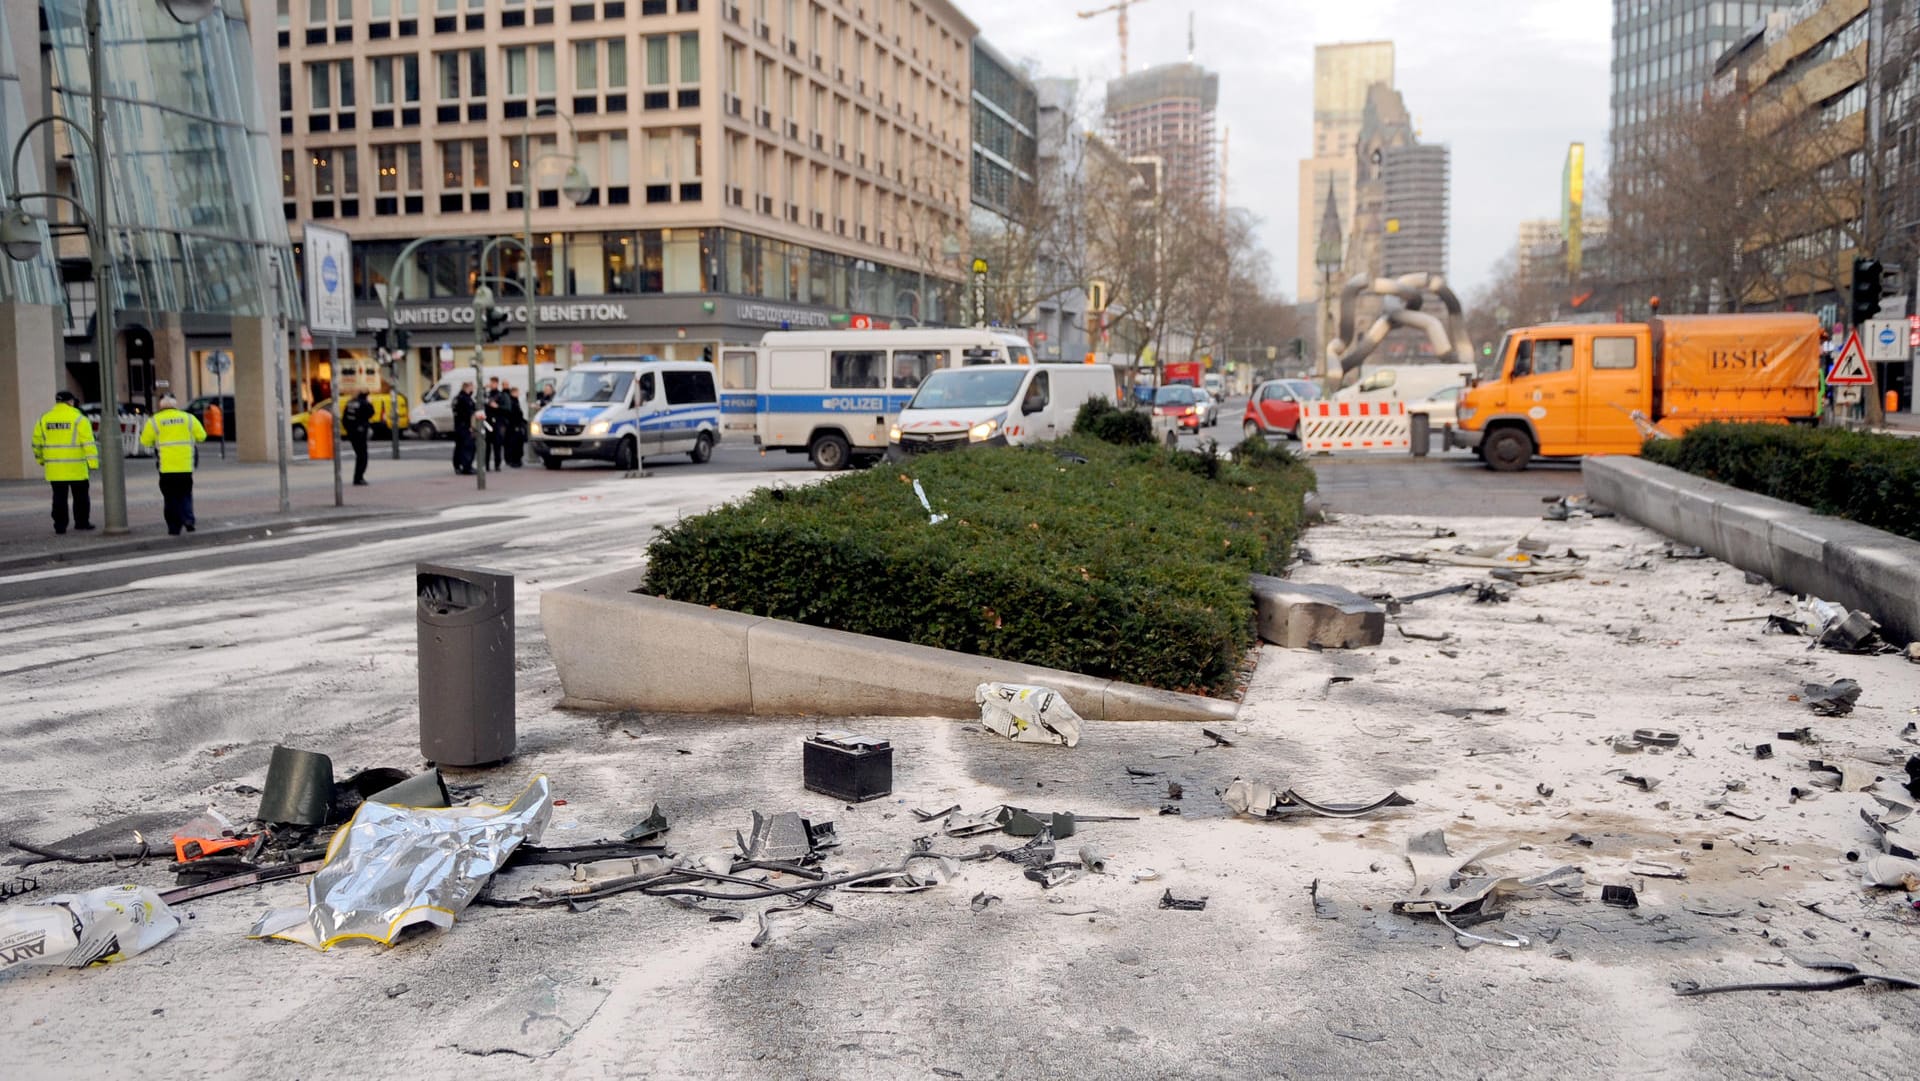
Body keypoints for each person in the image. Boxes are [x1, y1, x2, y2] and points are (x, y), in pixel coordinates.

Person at [138, 394, 207, 535]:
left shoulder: (155, 421)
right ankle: (188, 520)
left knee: (170, 498)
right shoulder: (188, 418)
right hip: (185, 466)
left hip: (166, 467)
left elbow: (145, 441)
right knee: (186, 494)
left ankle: (174, 527)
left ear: (161, 406)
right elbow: (202, 436)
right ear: (175, 404)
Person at [32, 390, 99, 534]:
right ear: (70, 402)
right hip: (77, 467)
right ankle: (81, 523)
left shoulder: (44, 419)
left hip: (55, 468)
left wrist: (40, 459)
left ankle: (60, 526)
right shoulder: (79, 418)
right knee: (80, 497)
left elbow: (37, 442)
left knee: (59, 498)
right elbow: (88, 443)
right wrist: (93, 463)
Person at [342, 390, 374, 486]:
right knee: (362, 456)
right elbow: (371, 413)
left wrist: (348, 429)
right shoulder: (364, 403)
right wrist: (369, 403)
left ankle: (358, 477)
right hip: (360, 432)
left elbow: (344, 419)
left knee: (359, 454)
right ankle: (358, 478)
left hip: (352, 432)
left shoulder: (350, 403)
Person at [452, 382, 477, 475]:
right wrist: (471, 426)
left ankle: (458, 465)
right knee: (467, 446)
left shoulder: (458, 398)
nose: (473, 389)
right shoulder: (465, 399)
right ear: (467, 387)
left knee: (459, 446)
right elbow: (468, 414)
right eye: (472, 387)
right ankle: (466, 466)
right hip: (464, 426)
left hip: (459, 426)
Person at [483, 377, 507, 471]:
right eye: (491, 383)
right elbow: (480, 400)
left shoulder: (500, 395)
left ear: (497, 384)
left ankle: (497, 465)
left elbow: (506, 409)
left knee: (497, 445)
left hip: (497, 422)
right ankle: (487, 465)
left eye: (493, 383)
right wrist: (483, 388)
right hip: (488, 422)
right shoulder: (488, 394)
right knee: (487, 445)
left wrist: (497, 407)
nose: (492, 385)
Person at [504, 386, 527, 468]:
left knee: (517, 444)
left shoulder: (515, 401)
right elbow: (515, 415)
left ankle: (516, 460)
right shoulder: (513, 402)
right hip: (514, 426)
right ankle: (515, 460)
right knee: (515, 444)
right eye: (517, 392)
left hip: (516, 425)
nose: (518, 394)